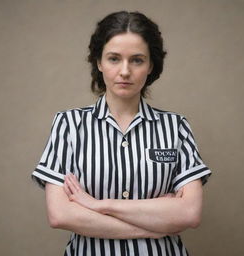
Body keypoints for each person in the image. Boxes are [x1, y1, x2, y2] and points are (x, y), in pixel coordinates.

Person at [32, 11, 211, 256]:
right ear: (99, 62)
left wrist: (98, 205)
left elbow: (189, 214)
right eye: (114, 58)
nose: (125, 71)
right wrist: (153, 226)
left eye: (137, 60)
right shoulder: (69, 124)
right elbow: (60, 214)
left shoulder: (176, 127)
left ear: (151, 65)